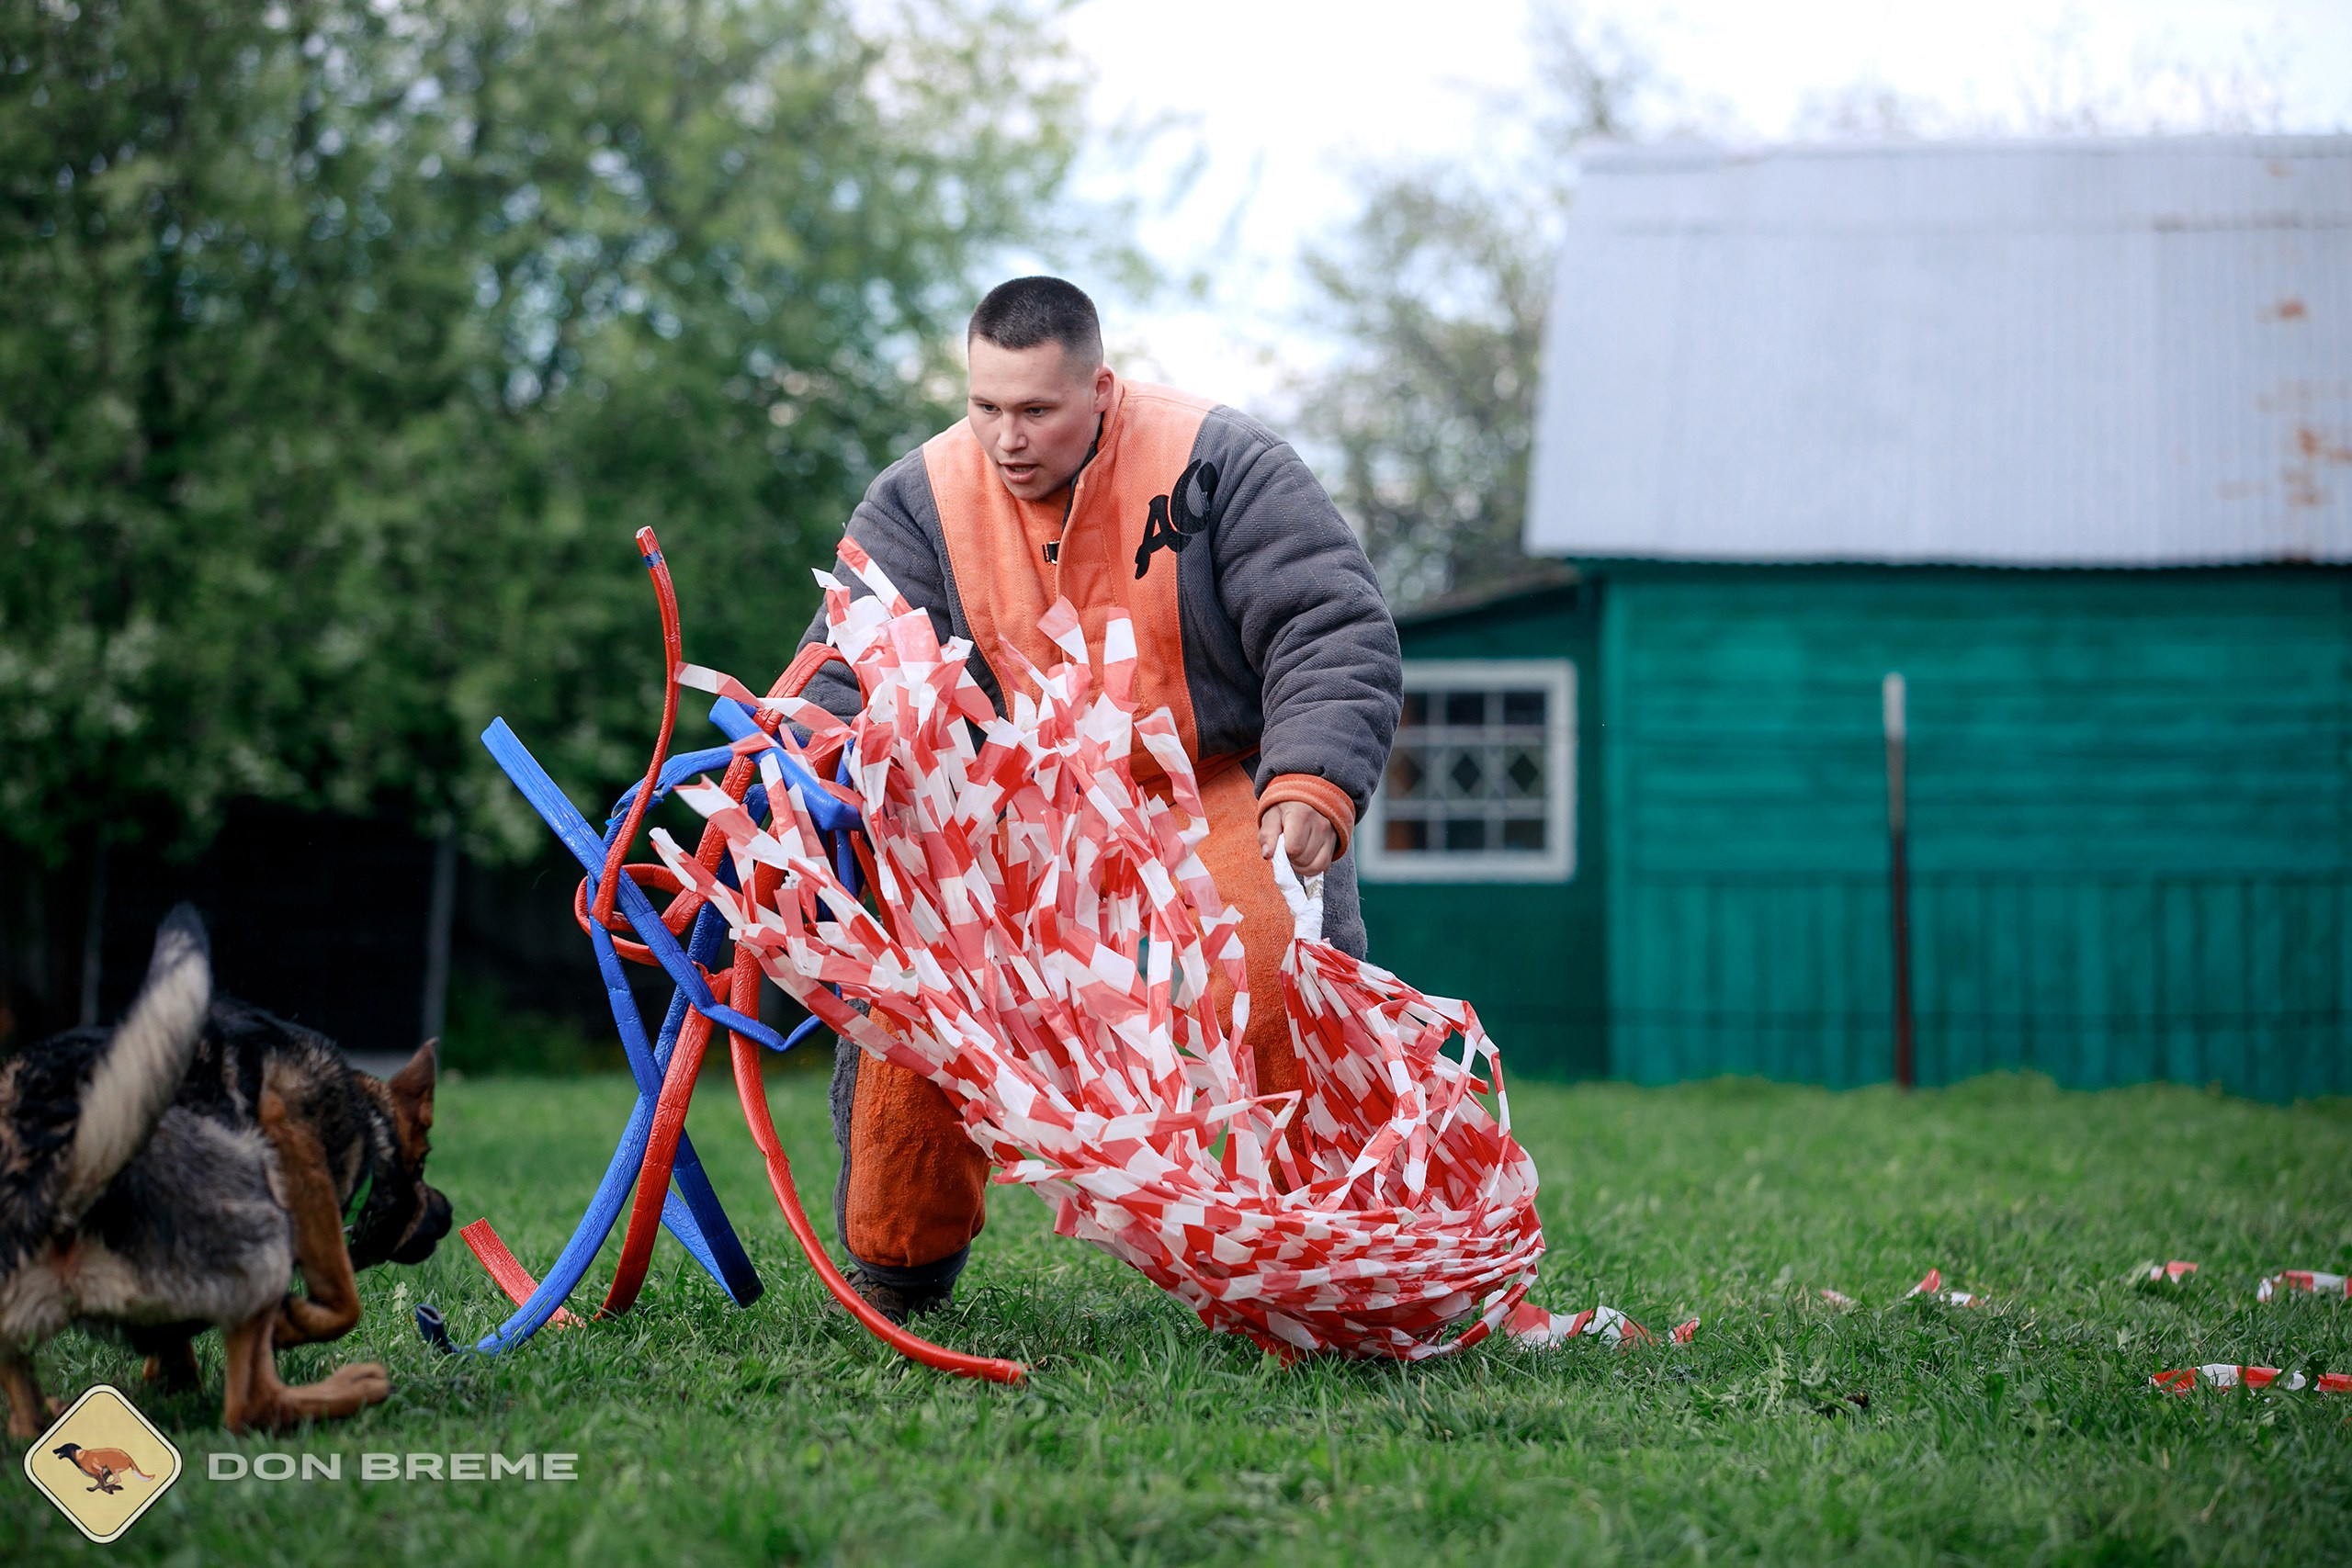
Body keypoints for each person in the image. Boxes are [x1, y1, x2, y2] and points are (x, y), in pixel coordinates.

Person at [795, 276, 1401, 1323]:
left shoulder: (1223, 463)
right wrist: (795, 782)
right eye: (986, 406)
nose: (1005, 438)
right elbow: (839, 670)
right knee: (912, 1002)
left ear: (1101, 390)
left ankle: (1326, 1274)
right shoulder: (917, 496)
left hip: (1211, 783)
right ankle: (899, 1266)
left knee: (1274, 973)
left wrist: (1310, 780)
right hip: (1012, 809)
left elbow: (1330, 626)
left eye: (1035, 411)